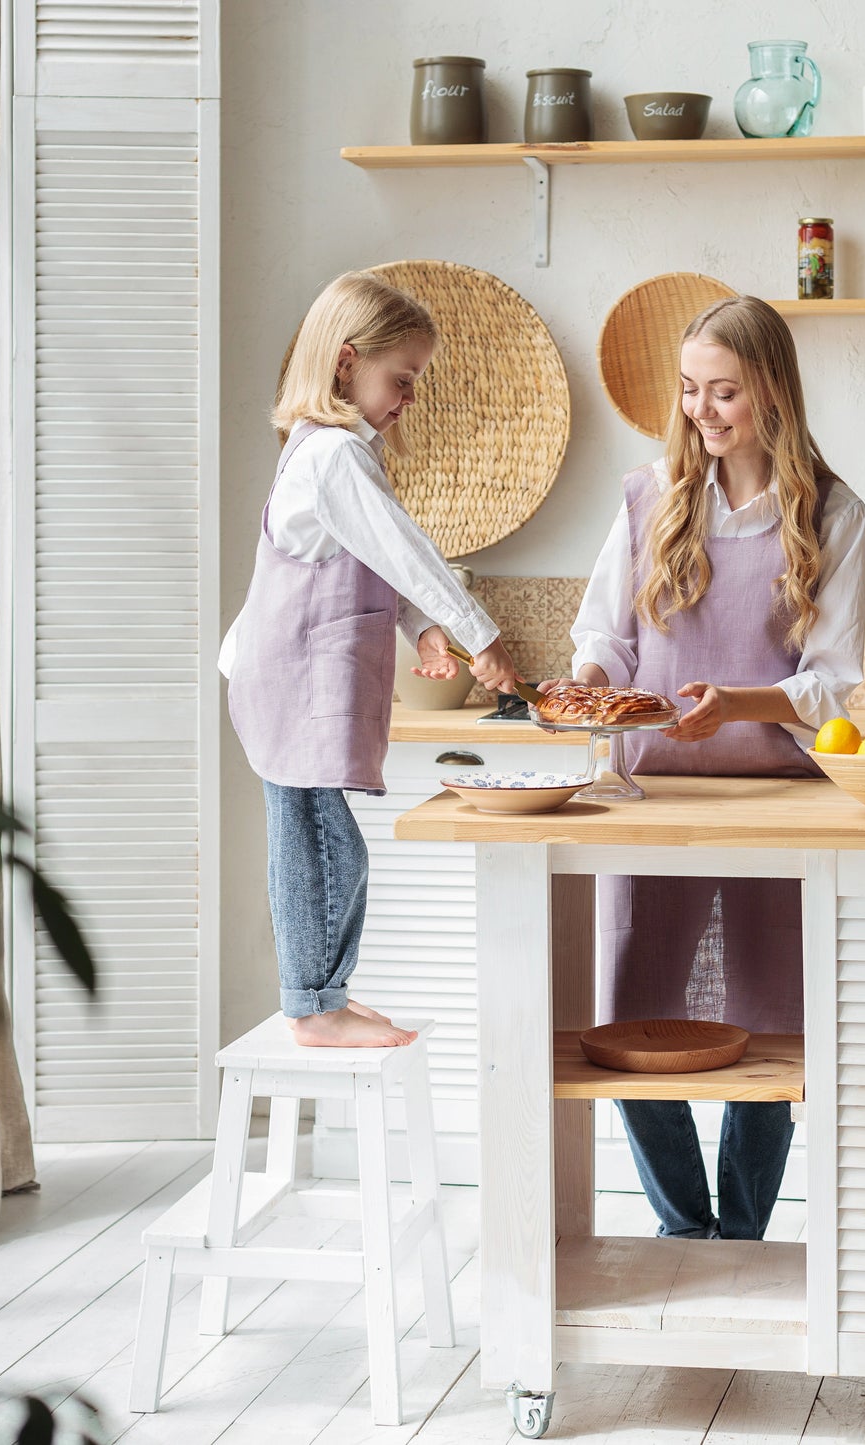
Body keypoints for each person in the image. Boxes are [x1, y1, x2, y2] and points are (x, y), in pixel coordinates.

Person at [564, 295, 865, 1238]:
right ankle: (682, 1225)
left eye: (724, 391)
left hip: (780, 805)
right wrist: (584, 685)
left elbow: (832, 682)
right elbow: (605, 639)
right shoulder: (648, 495)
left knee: (775, 1022)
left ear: (772, 388)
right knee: (627, 1020)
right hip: (649, 795)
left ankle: (739, 1232)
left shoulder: (833, 510)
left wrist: (737, 704)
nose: (702, 410)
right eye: (691, 389)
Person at [221, 270, 518, 1048]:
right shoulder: (333, 458)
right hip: (292, 683)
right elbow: (405, 550)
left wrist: (424, 630)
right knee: (321, 844)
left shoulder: (330, 453)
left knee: (318, 838)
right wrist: (475, 633)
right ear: (347, 362)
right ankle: (315, 1007)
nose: (409, 397)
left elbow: (377, 558)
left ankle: (321, 996)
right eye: (404, 377)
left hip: (285, 680)